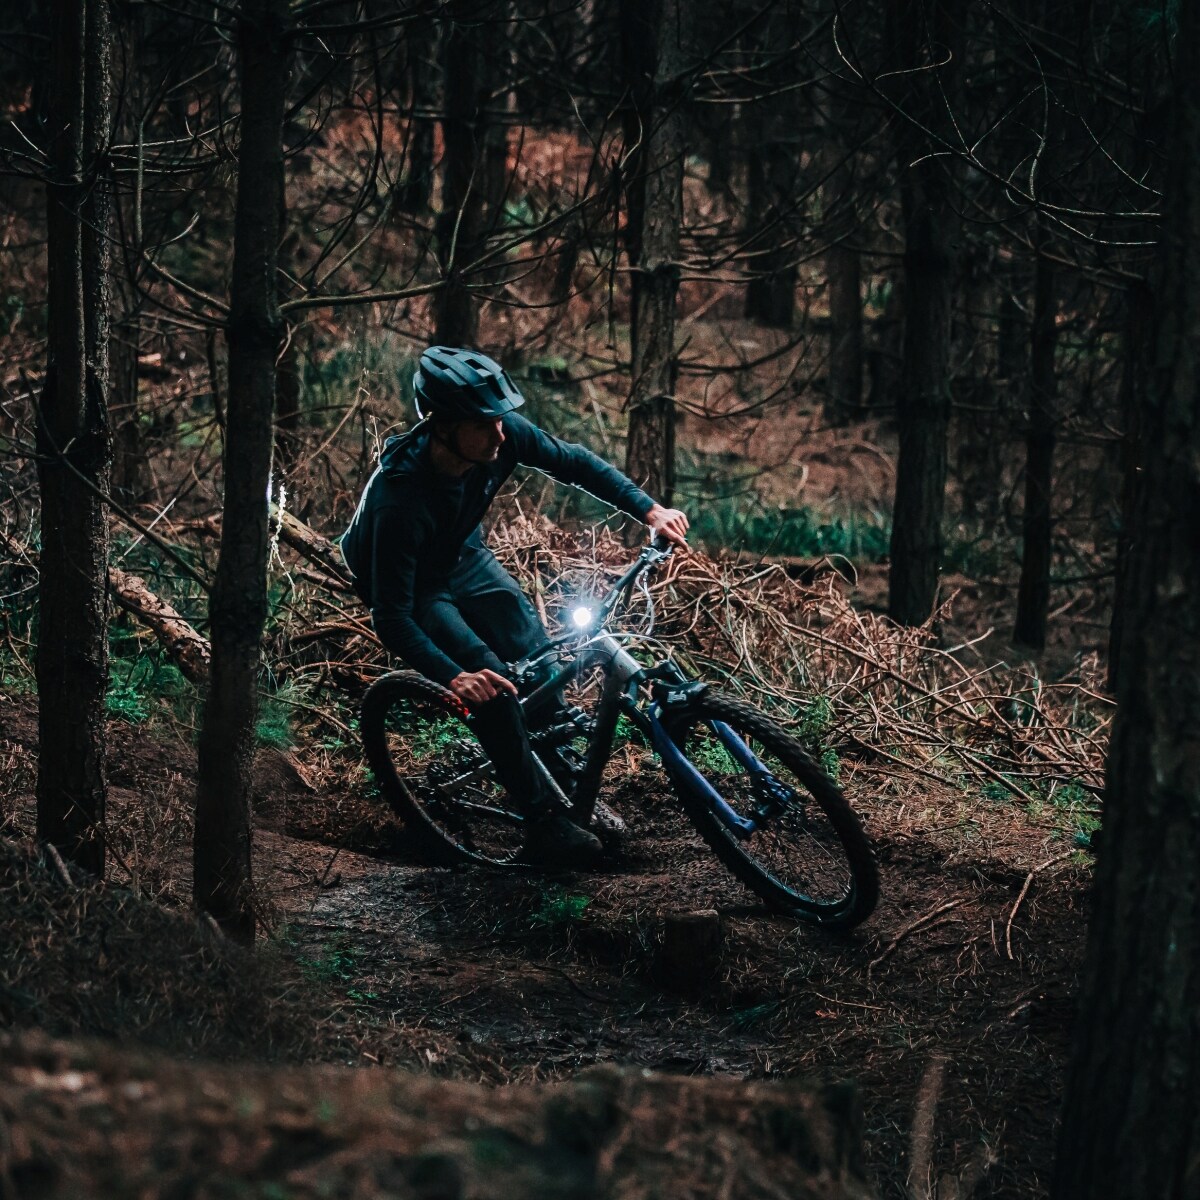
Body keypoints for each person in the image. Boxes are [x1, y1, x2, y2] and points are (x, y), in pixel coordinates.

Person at [341, 345, 689, 864]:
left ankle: (563, 776)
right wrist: (454, 676)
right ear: (443, 426)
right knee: (494, 685)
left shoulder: (498, 438)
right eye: (485, 424)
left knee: (541, 662)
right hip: (412, 587)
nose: (502, 433)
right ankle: (542, 822)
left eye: (501, 420)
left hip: (463, 553)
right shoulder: (400, 501)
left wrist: (649, 509)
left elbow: (572, 461)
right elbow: (391, 616)